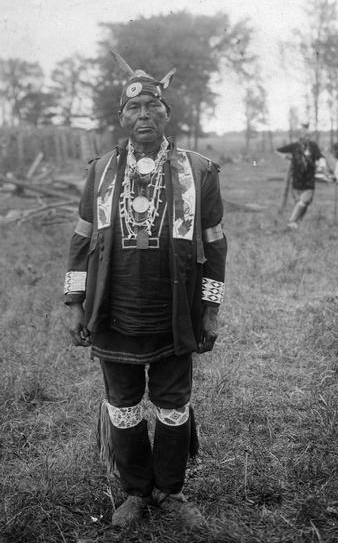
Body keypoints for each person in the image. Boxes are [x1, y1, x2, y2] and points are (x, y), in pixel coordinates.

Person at [63, 52, 227, 529]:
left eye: (152, 108)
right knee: (124, 401)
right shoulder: (100, 173)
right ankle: (135, 492)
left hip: (176, 312)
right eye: (133, 110)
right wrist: (73, 301)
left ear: (166, 114)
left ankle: (170, 492)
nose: (143, 117)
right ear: (122, 117)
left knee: (174, 404)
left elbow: (215, 246)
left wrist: (211, 309)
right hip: (114, 313)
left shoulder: (199, 172)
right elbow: (80, 239)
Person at [277, 123, 325, 228]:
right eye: (303, 135)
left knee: (304, 202)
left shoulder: (313, 146)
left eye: (307, 135)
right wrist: (286, 157)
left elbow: (320, 156)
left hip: (309, 180)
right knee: (301, 203)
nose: (305, 138)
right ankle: (297, 223)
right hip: (297, 180)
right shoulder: (294, 146)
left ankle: (291, 221)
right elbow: (278, 150)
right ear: (300, 136)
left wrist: (321, 165)